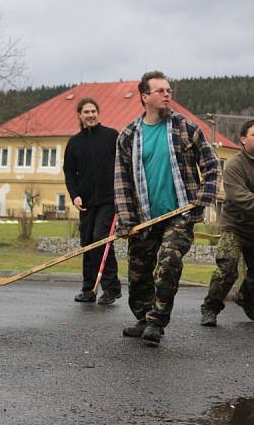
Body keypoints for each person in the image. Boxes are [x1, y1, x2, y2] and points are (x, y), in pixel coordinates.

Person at [115, 70, 220, 347]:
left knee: (169, 260)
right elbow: (122, 182)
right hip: (145, 217)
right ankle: (143, 317)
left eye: (169, 90)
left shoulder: (186, 128)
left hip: (180, 214)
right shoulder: (128, 135)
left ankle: (156, 321)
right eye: (160, 90)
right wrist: (126, 220)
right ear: (145, 96)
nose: (167, 94)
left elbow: (211, 165)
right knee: (139, 270)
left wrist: (202, 197)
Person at [200, 120, 254, 327]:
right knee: (228, 268)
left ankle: (245, 298)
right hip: (235, 226)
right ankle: (211, 307)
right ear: (243, 139)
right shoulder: (234, 165)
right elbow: (238, 195)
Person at [62, 98, 121, 304]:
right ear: (80, 115)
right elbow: (69, 172)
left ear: (98, 112)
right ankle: (88, 289)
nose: (90, 115)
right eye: (86, 112)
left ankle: (111, 289)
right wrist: (74, 195)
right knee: (87, 243)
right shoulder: (74, 143)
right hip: (85, 201)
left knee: (100, 240)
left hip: (108, 199)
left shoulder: (112, 136)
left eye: (93, 111)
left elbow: (123, 165)